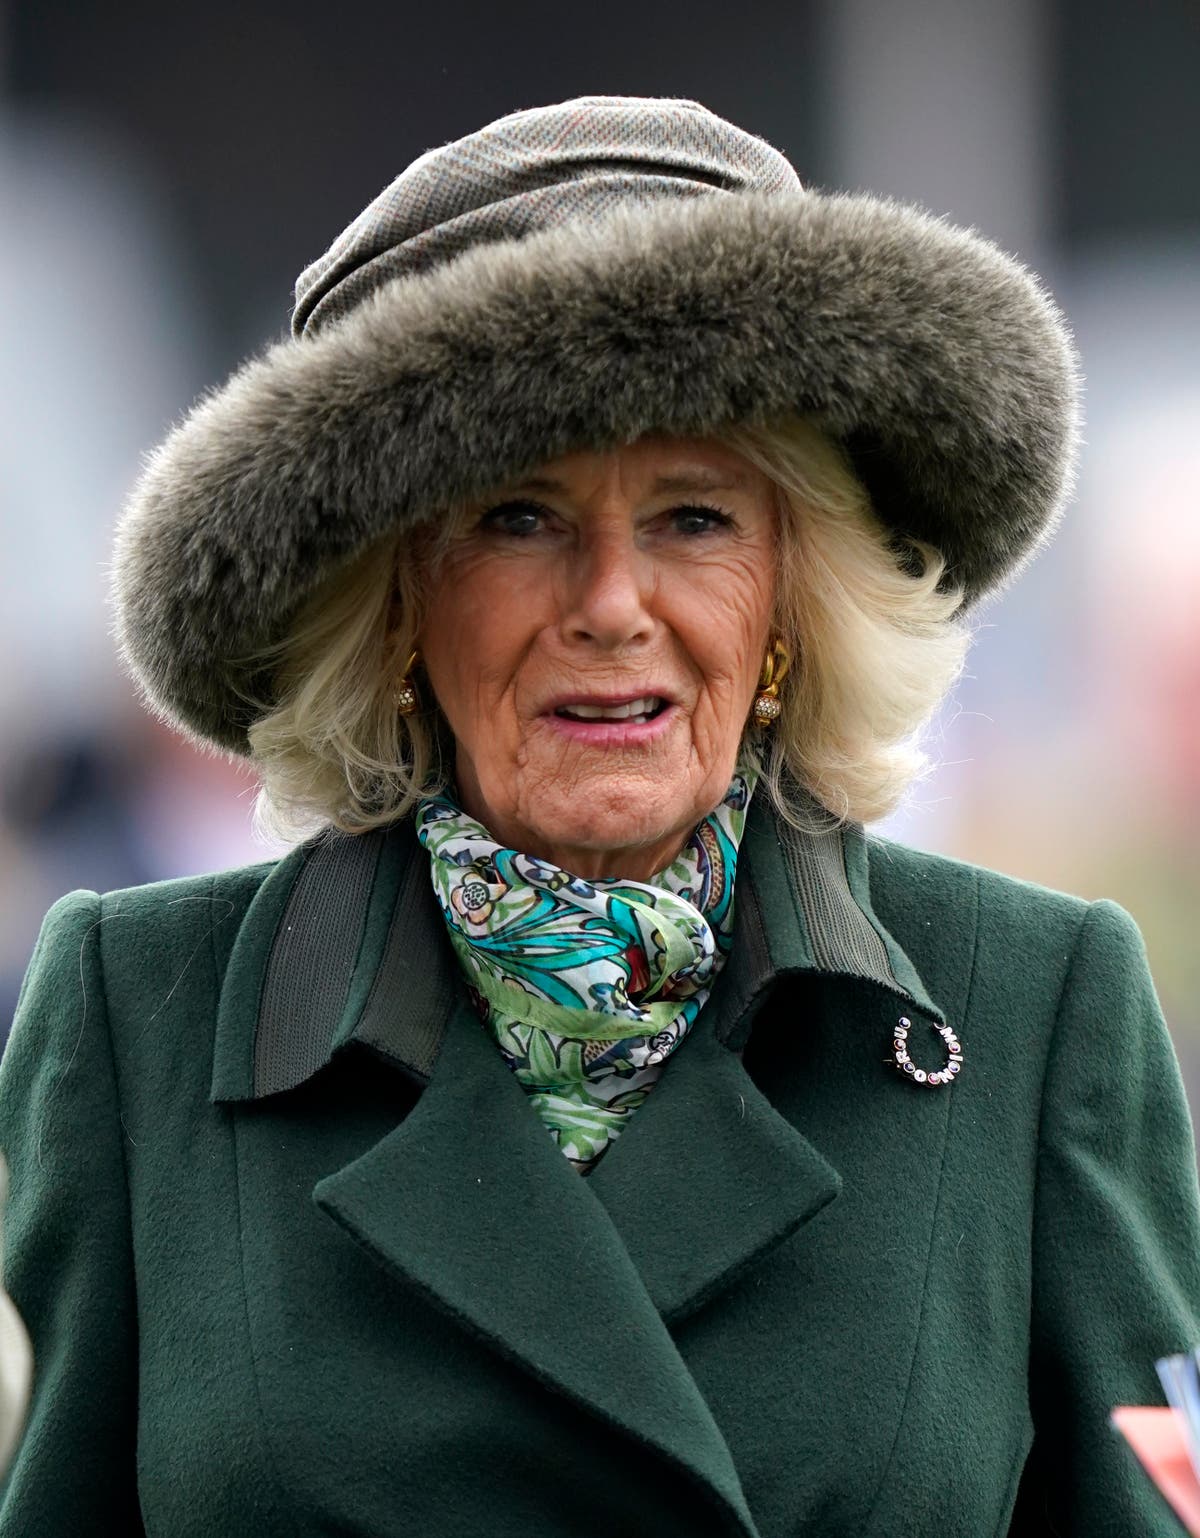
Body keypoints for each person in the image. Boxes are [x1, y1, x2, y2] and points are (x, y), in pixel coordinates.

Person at [1, 94, 1197, 1538]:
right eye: (518, 517)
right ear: (392, 602)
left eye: (695, 517)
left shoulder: (1031, 1007)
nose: (614, 604)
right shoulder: (139, 1015)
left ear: (792, 601)